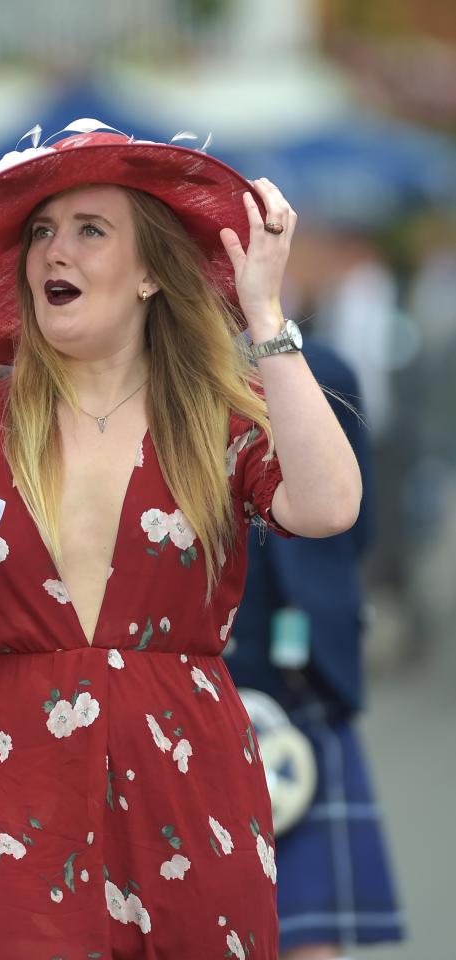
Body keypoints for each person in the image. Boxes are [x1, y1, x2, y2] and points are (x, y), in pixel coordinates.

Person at [0, 119, 362, 958]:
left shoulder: (212, 417)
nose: (55, 251)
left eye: (90, 231)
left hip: (191, 784)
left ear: (146, 274)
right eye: (41, 233)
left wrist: (265, 313)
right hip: (16, 790)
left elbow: (329, 505)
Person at [228, 338, 405, 959]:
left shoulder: (324, 372)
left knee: (310, 930)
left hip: (303, 682)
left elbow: (360, 519)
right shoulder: (151, 379)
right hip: (198, 686)